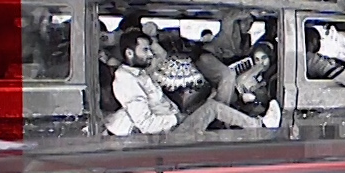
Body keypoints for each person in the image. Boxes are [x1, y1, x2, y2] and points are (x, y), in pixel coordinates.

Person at [106, 30, 262, 137]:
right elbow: (146, 125)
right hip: (168, 136)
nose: (150, 54)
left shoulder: (140, 72)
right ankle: (259, 125)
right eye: (145, 50)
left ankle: (250, 124)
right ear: (129, 53)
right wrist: (176, 118)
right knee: (213, 108)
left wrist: (150, 39)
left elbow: (162, 55)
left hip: (173, 124)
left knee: (209, 99)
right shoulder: (126, 80)